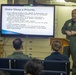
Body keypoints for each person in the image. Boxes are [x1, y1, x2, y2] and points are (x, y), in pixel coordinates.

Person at [61, 9, 76, 75]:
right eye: (72, 13)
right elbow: (62, 29)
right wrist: (66, 31)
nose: (73, 14)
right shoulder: (68, 22)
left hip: (74, 43)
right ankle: (65, 72)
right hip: (66, 42)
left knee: (75, 59)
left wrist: (75, 32)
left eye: (74, 13)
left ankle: (74, 73)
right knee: (65, 57)